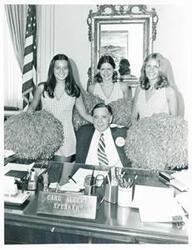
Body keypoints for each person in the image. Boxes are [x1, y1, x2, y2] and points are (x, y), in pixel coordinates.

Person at [28, 54, 93, 161]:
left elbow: (84, 114)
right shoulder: (42, 88)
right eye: (58, 67)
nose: (61, 71)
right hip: (44, 135)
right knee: (44, 174)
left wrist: (101, 122)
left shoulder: (74, 90)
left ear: (69, 70)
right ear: (52, 69)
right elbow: (32, 108)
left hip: (66, 138)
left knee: (62, 176)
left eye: (65, 67)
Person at [76, 103, 131, 168]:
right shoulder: (83, 132)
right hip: (89, 174)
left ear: (110, 119)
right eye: (96, 117)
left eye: (104, 117)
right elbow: (78, 161)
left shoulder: (123, 133)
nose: (99, 121)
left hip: (116, 174)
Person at [132, 53, 177, 120]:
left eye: (156, 67)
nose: (151, 70)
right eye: (148, 66)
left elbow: (174, 122)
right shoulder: (139, 89)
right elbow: (134, 116)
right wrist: (136, 129)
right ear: (144, 68)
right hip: (139, 129)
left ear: (161, 70)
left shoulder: (169, 92)